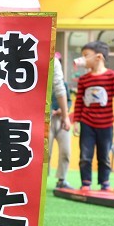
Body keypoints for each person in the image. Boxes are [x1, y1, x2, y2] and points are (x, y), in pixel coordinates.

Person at [72, 41, 114, 191]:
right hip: (87, 123)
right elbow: (79, 102)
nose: (83, 59)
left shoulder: (112, 76)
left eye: (86, 55)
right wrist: (76, 121)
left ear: (99, 57)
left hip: (106, 124)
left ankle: (105, 183)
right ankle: (86, 183)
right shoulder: (84, 79)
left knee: (104, 155)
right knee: (85, 155)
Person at [49, 55, 73, 189]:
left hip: (62, 119)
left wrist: (63, 112)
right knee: (46, 152)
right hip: (47, 119)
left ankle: (62, 179)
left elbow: (68, 100)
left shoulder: (63, 84)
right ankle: (41, 179)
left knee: (66, 151)